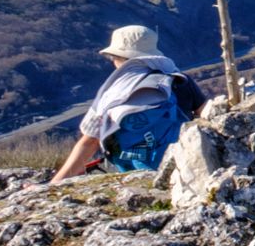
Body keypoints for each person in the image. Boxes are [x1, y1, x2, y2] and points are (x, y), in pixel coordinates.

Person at [49, 25, 205, 182]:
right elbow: (208, 117)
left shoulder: (113, 91)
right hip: (181, 169)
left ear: (119, 58)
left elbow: (89, 142)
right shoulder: (180, 81)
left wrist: (55, 184)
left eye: (113, 58)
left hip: (132, 175)